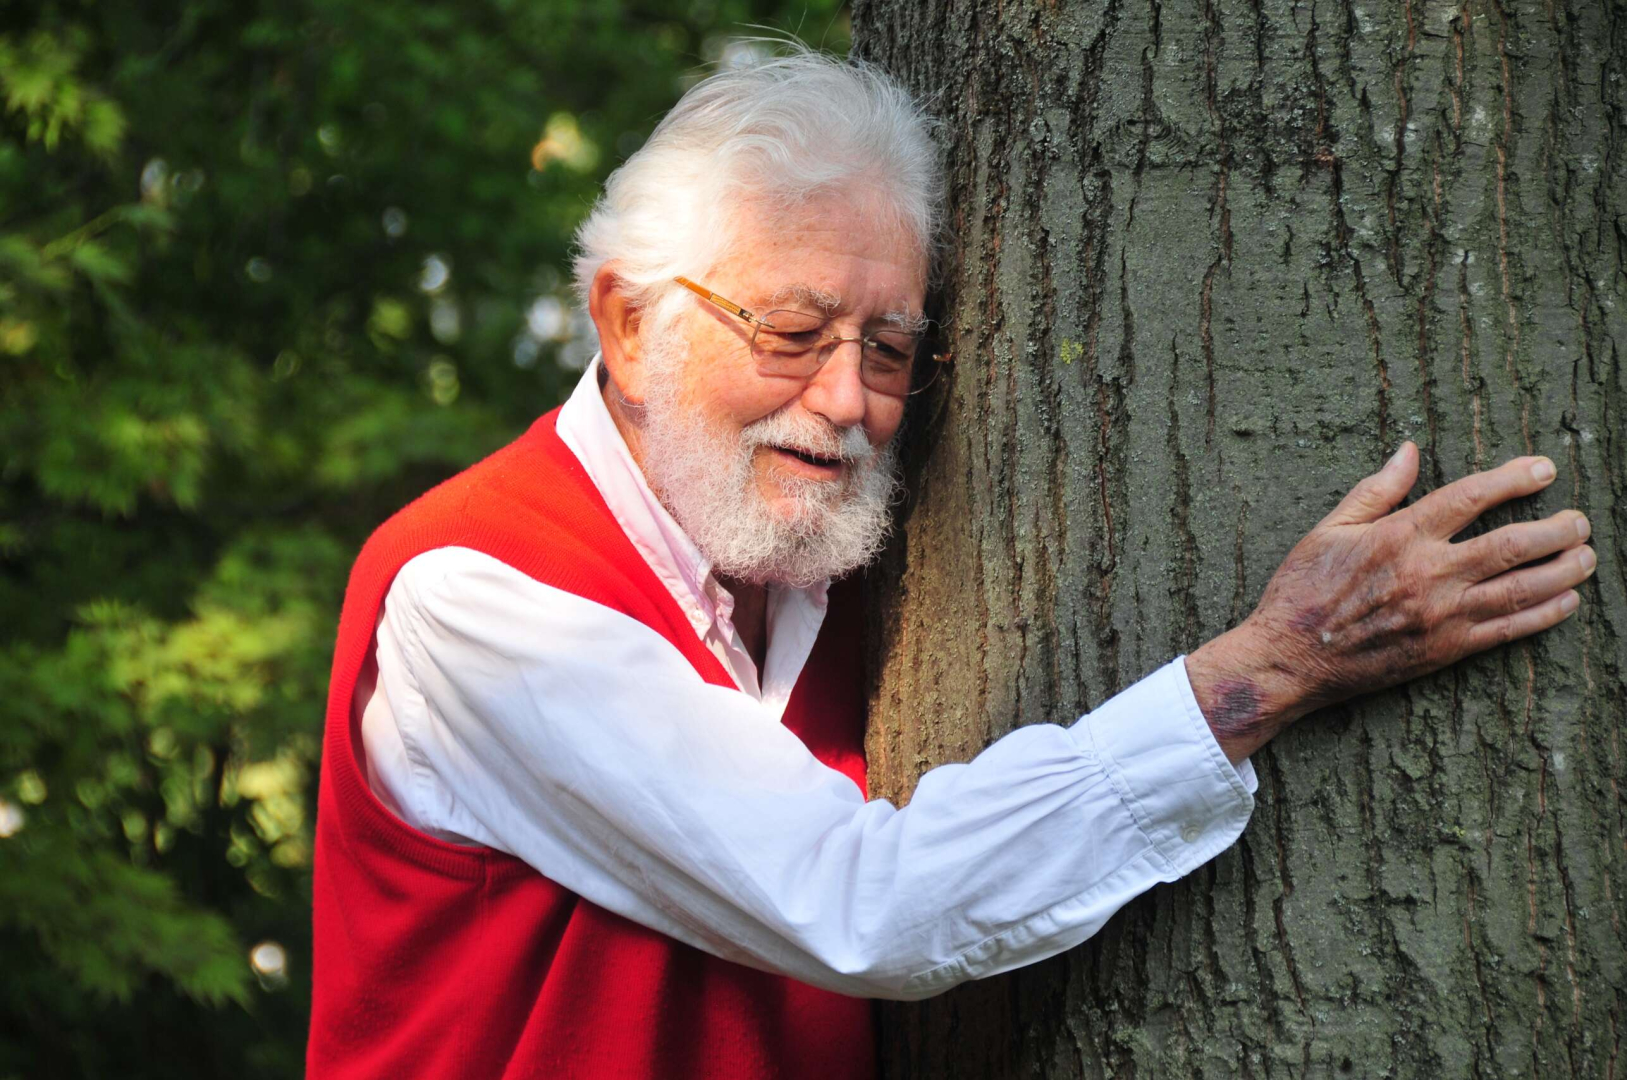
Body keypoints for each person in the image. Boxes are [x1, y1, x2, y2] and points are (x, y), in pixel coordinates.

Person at [304, 49, 1596, 1080]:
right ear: (631, 326)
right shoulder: (480, 596)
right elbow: (862, 901)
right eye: (791, 330)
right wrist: (1272, 669)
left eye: (888, 349)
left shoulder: (831, 562)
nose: (846, 402)